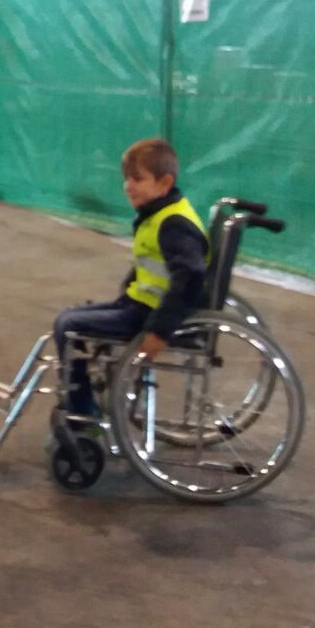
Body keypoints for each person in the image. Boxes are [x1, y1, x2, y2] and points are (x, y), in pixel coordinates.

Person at [52, 137, 209, 418]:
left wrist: (159, 332)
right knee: (73, 313)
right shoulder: (159, 213)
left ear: (164, 183)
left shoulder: (173, 224)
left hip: (151, 315)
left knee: (68, 324)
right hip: (139, 305)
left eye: (137, 179)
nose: (128, 186)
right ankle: (80, 397)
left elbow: (191, 278)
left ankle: (82, 410)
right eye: (126, 178)